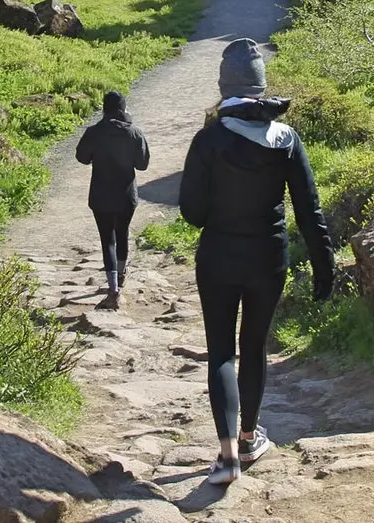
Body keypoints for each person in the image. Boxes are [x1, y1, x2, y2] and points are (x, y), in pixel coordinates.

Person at [180, 38, 335, 487]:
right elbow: (309, 209)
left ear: (223, 85)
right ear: (262, 86)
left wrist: (218, 210)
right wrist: (324, 266)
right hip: (269, 256)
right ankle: (250, 437)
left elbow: (192, 213)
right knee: (254, 347)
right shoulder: (287, 139)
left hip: (219, 255)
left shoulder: (208, 140)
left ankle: (227, 455)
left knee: (222, 352)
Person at [75, 91, 150, 310]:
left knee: (107, 238)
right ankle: (122, 272)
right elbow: (143, 164)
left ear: (104, 109)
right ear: (124, 109)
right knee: (123, 233)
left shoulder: (94, 132)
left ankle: (113, 289)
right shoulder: (134, 133)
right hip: (127, 195)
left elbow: (82, 157)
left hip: (101, 195)